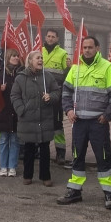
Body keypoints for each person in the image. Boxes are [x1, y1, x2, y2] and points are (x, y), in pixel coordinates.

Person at [57, 36, 111, 210]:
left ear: (97, 48)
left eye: (90, 47)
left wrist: (107, 116)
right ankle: (75, 191)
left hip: (98, 123)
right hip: (78, 122)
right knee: (77, 156)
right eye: (84, 47)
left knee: (103, 157)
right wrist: (68, 110)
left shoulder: (107, 67)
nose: (86, 50)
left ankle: (109, 193)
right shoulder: (75, 68)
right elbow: (66, 92)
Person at [11, 50, 60, 187]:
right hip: (28, 119)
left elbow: (57, 92)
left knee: (45, 149)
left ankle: (45, 176)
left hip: (44, 119)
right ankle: (27, 175)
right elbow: (14, 96)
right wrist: (21, 110)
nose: (41, 60)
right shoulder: (20, 78)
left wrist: (51, 97)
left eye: (42, 58)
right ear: (30, 61)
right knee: (29, 149)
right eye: (37, 58)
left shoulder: (48, 76)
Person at [41, 29, 71, 166]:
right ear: (45, 37)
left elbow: (67, 75)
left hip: (56, 94)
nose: (50, 38)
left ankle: (60, 153)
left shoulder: (63, 54)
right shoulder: (39, 51)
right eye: (48, 36)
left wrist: (69, 68)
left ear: (57, 39)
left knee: (57, 124)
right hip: (40, 93)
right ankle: (40, 151)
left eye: (53, 36)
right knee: (41, 123)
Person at [0, 48, 23, 177]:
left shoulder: (21, 72)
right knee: (4, 139)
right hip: (4, 111)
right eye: (13, 56)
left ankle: (12, 166)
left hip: (16, 110)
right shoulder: (0, 72)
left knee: (15, 140)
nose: (16, 58)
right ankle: (3, 166)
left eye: (17, 56)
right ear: (8, 58)